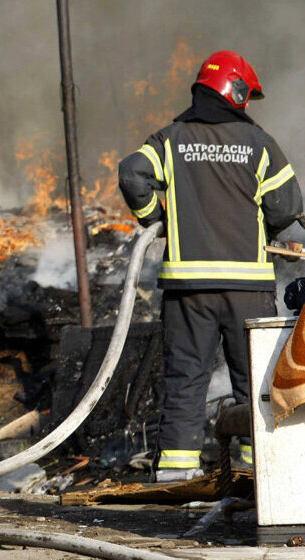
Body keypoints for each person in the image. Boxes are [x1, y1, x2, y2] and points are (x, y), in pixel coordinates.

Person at [118, 50, 303, 483]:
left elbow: (131, 174)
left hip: (189, 290)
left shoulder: (170, 138)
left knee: (185, 381)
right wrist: (266, 227)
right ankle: (259, 478)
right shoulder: (258, 142)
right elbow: (287, 205)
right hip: (248, 290)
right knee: (255, 384)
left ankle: (175, 481)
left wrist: (154, 219)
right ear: (236, 91)